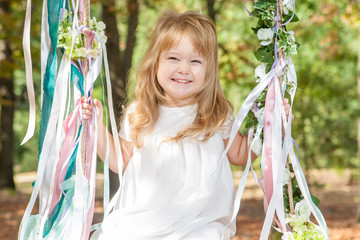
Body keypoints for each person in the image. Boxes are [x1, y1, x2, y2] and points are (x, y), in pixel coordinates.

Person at [82, 10, 292, 240]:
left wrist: (272, 126)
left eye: (195, 61)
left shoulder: (215, 113)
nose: (183, 69)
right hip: (144, 220)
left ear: (208, 70)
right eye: (173, 58)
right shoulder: (141, 112)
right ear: (155, 62)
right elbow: (119, 159)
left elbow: (241, 153)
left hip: (200, 222)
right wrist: (97, 126)